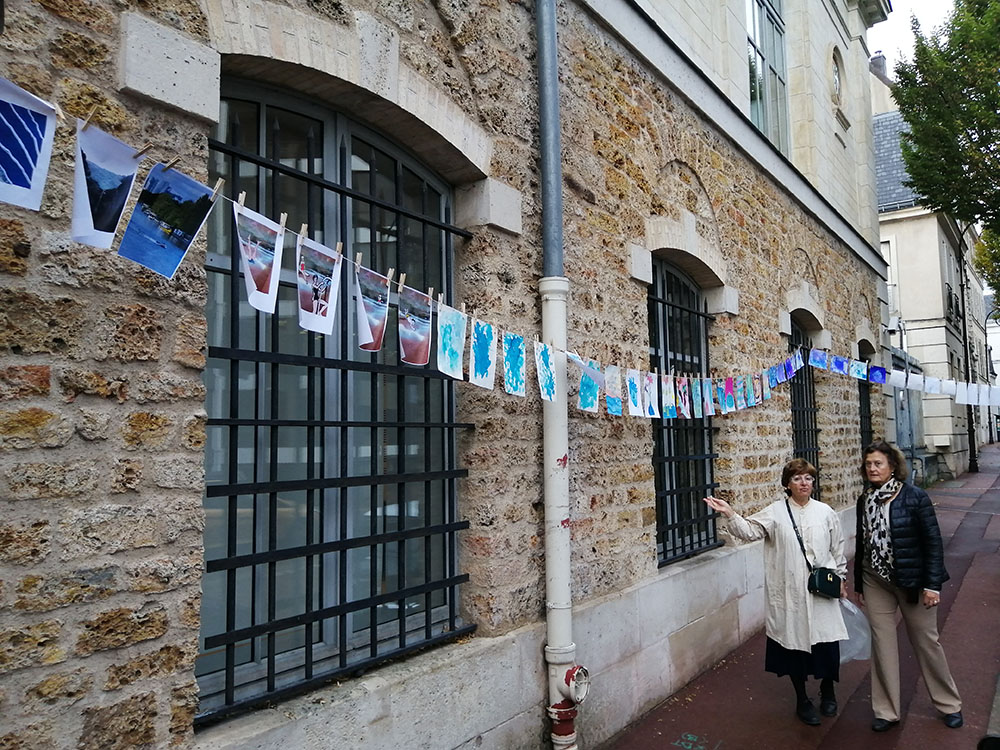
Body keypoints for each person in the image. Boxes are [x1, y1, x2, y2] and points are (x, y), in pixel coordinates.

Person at [704, 458, 847, 726]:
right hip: (790, 592)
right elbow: (749, 531)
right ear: (787, 484)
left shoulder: (825, 512)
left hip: (821, 591)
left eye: (808, 478)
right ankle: (802, 699)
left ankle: (828, 691)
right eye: (797, 478)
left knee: (826, 645)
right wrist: (730, 513)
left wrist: (840, 578)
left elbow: (837, 548)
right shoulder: (775, 512)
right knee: (794, 647)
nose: (804, 483)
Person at [855, 440, 963, 732]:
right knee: (882, 644)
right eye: (868, 464)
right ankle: (886, 711)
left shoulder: (915, 497)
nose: (872, 469)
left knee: (926, 642)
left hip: (912, 580)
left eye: (878, 463)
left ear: (892, 466)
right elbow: (863, 543)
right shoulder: (865, 499)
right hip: (875, 579)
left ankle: (949, 704)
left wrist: (932, 585)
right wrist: (860, 584)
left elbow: (932, 542)